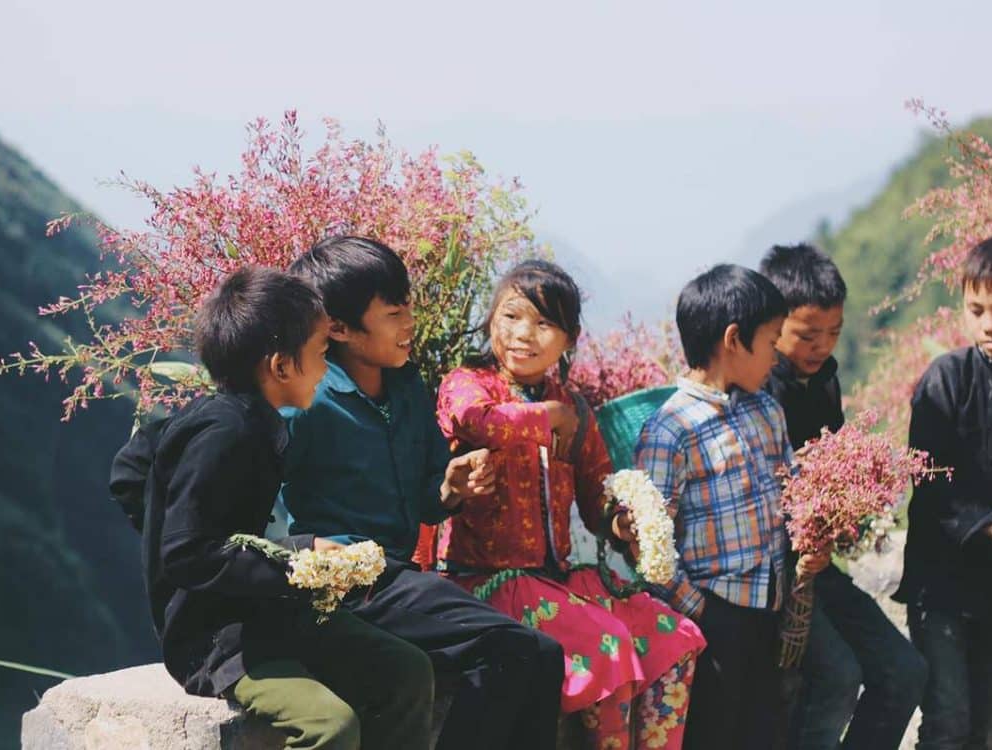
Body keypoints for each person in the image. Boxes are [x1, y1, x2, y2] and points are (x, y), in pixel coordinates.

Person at [115, 266, 433, 750]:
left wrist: (296, 551)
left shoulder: (241, 417)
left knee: (407, 670)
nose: (327, 369)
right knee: (330, 725)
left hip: (266, 609)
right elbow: (185, 553)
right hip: (218, 639)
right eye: (321, 354)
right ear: (282, 366)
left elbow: (130, 471)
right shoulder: (226, 434)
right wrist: (293, 563)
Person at [281, 236, 565, 750]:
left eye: (408, 304)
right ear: (339, 329)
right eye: (393, 312)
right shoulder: (308, 401)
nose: (409, 320)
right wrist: (307, 552)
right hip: (347, 586)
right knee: (520, 652)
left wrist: (454, 486)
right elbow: (259, 506)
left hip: (398, 581)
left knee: (537, 655)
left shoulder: (407, 388)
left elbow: (433, 495)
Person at [434, 259, 705, 750]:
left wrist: (622, 524)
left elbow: (597, 495)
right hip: (487, 583)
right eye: (511, 317)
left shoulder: (576, 411)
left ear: (569, 338)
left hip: (556, 583)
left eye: (544, 324)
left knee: (674, 634)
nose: (523, 334)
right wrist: (551, 415)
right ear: (491, 318)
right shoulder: (467, 383)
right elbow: (478, 421)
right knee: (609, 643)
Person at [634, 263, 830, 750]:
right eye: (770, 342)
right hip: (712, 621)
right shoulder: (670, 430)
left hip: (768, 612)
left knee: (764, 733)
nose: (776, 357)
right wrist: (700, 610)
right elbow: (650, 543)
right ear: (734, 340)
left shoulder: (765, 410)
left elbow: (793, 491)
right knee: (714, 733)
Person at [760, 243, 927, 750]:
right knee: (836, 677)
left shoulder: (825, 383)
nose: (822, 347)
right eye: (807, 335)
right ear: (771, 326)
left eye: (833, 333)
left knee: (905, 671)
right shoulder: (759, 391)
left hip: (823, 566)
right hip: (780, 576)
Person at [894, 235, 992, 749]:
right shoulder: (947, 378)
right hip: (945, 586)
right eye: (976, 309)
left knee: (986, 727)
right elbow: (931, 476)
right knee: (949, 720)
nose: (988, 324)